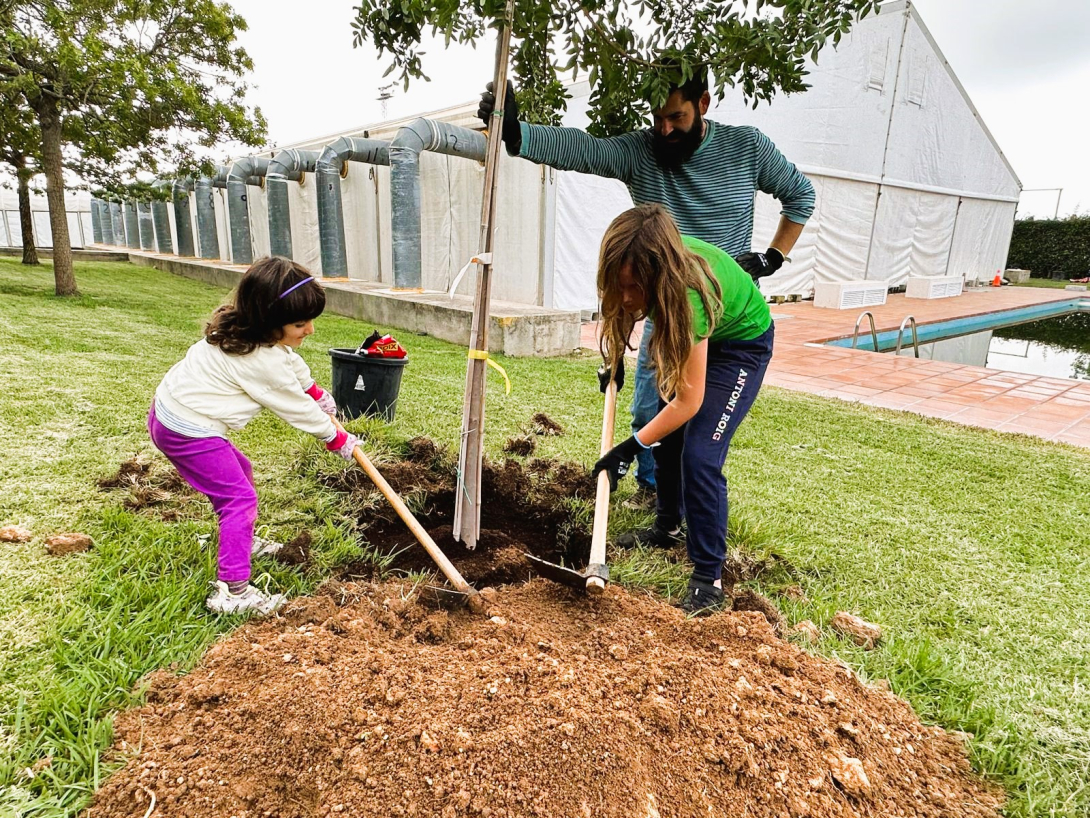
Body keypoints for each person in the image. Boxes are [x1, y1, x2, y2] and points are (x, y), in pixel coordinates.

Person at [479, 71, 812, 509]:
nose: (664, 129)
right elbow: (586, 149)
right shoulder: (642, 151)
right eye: (657, 117)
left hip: (723, 318)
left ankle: (686, 508)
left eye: (677, 116)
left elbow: (800, 196)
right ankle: (658, 501)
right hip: (665, 308)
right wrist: (518, 134)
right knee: (647, 413)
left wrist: (772, 257)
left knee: (695, 423)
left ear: (704, 104)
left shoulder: (746, 147)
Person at [148, 257, 359, 616]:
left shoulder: (250, 330)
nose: (309, 330)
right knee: (239, 499)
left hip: (170, 412)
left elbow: (289, 362)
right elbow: (291, 405)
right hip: (188, 430)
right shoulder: (260, 360)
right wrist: (335, 438)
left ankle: (237, 541)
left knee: (240, 472)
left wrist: (314, 390)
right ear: (269, 320)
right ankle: (233, 592)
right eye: (299, 323)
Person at [591, 205, 774, 615]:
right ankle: (666, 527)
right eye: (618, 283)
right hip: (691, 332)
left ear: (659, 275)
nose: (625, 295)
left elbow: (689, 402)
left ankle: (709, 577)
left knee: (700, 454)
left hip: (740, 347)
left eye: (634, 286)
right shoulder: (633, 266)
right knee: (667, 438)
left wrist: (629, 446)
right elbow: (617, 311)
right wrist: (613, 359)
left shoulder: (687, 294)